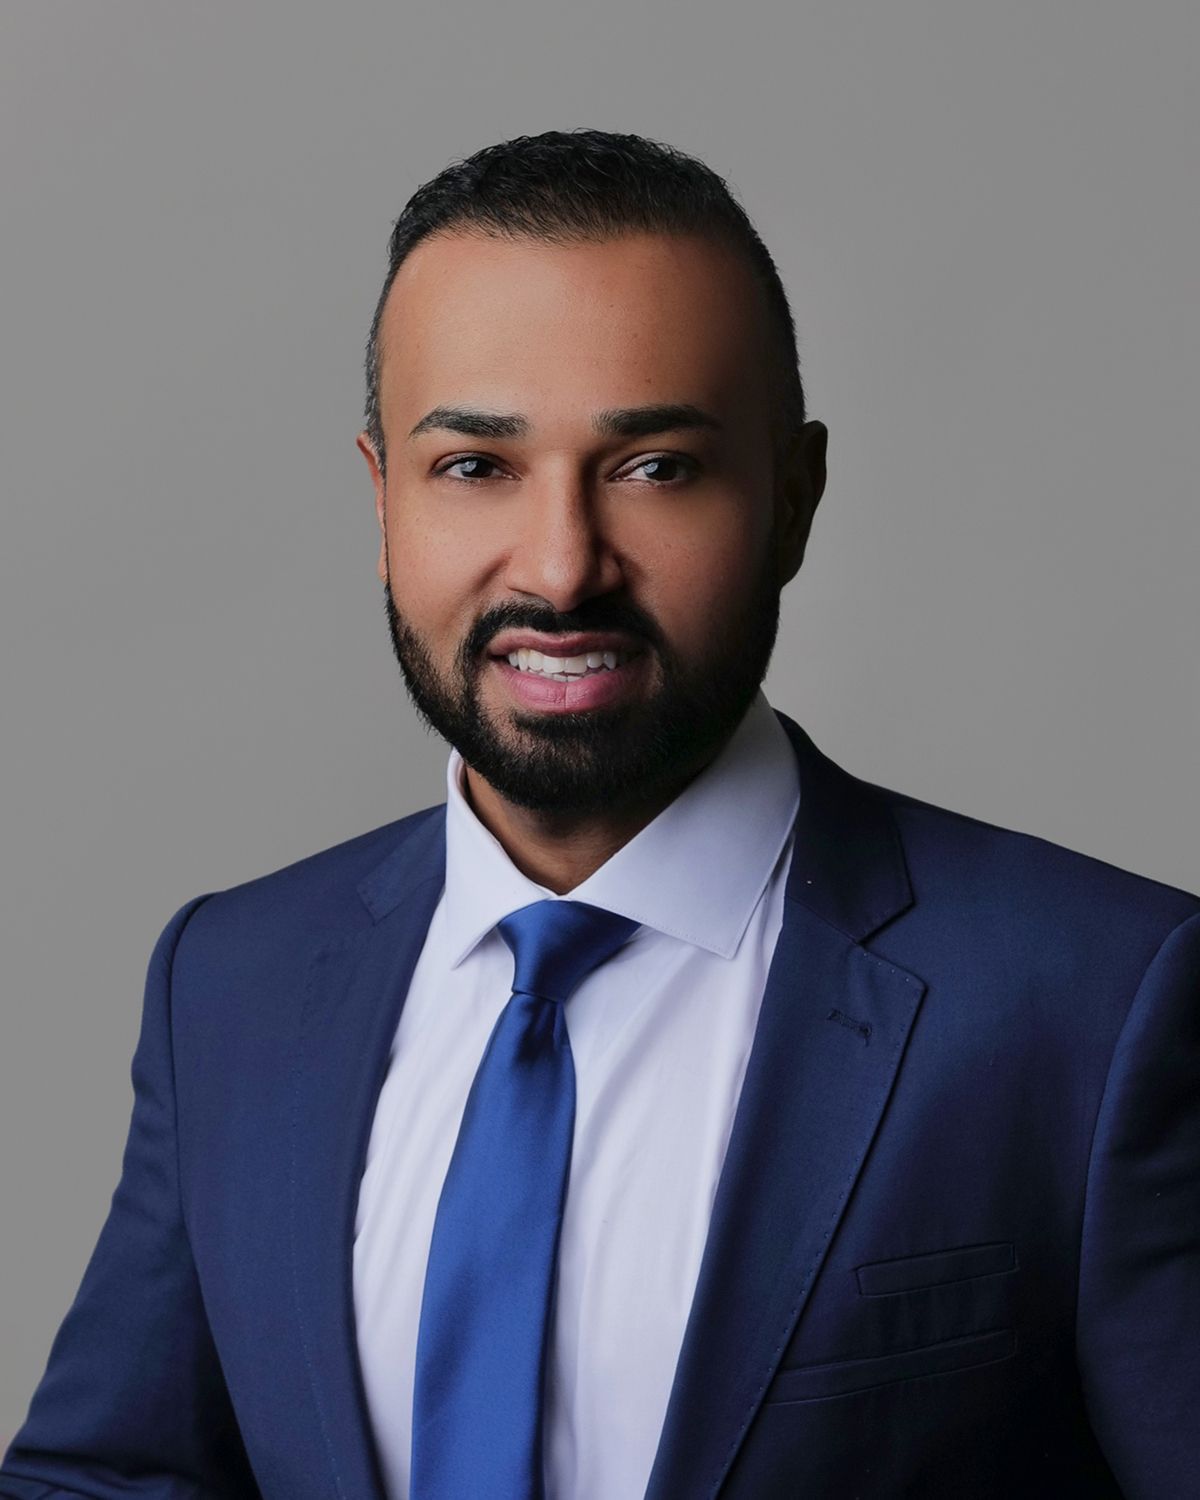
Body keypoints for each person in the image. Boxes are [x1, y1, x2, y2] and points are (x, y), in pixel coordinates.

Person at [2, 128, 1196, 1500]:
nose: (563, 569)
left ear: (794, 498)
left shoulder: (1100, 1002)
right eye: (474, 467)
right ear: (382, 493)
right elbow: (104, 1481)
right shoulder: (230, 985)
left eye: (656, 467)